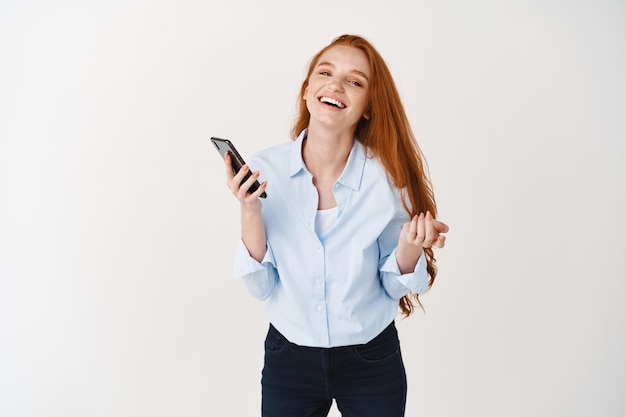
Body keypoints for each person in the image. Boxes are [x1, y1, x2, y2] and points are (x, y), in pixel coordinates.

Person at [223, 34, 449, 417]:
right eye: (325, 72)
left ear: (367, 108)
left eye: (355, 81)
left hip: (370, 358)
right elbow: (261, 287)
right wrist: (249, 209)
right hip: (289, 357)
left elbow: (392, 286)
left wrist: (410, 248)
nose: (336, 85)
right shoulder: (266, 169)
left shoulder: (387, 179)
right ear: (308, 89)